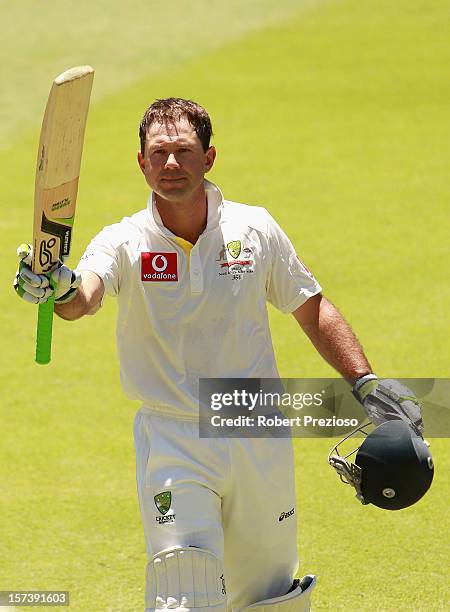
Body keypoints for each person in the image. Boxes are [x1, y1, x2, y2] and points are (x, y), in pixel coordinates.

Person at [14, 98, 425, 611]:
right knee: (183, 590)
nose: (170, 164)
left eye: (183, 151)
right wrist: (60, 287)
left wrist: (364, 381)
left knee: (268, 595)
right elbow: (84, 298)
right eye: (158, 153)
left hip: (256, 430)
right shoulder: (121, 241)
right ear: (140, 162)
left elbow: (312, 310)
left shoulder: (254, 229)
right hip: (174, 437)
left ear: (209, 158)